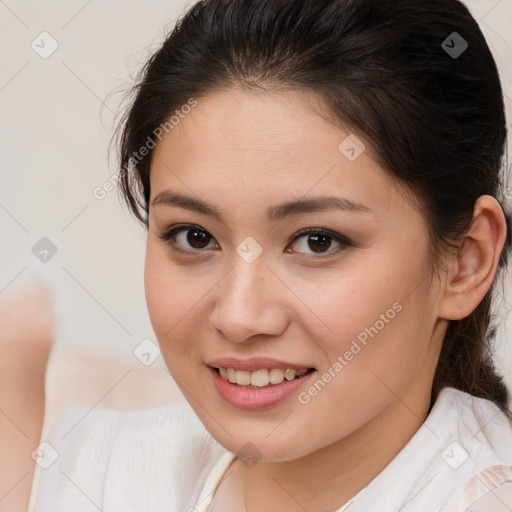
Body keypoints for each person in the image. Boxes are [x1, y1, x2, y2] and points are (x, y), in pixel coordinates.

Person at [31, 0, 512, 510]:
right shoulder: (89, 470)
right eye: (195, 236)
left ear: (465, 262)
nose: (239, 318)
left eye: (316, 241)